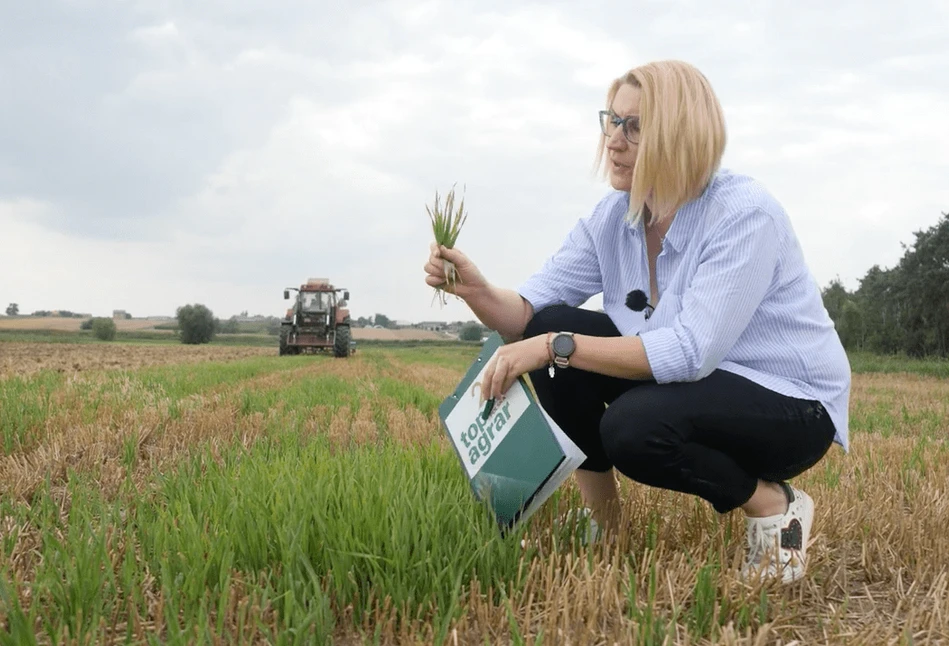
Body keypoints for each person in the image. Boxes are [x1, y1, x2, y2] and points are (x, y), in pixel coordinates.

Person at [423, 60, 851, 584]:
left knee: (629, 426)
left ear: (681, 135)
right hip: (703, 384)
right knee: (552, 326)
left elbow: (691, 351)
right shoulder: (614, 216)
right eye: (611, 120)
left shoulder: (745, 213)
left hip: (790, 404)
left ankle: (773, 505)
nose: (613, 141)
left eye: (635, 127)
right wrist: (476, 290)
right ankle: (604, 524)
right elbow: (528, 315)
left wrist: (554, 347)